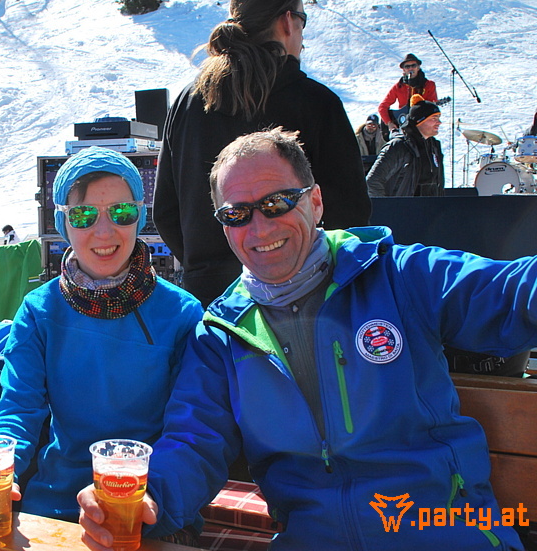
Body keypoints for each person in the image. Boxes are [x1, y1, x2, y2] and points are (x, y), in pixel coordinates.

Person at [77, 127, 534, 551]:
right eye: (237, 213)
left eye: (277, 203)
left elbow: (511, 294)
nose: (260, 227)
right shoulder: (221, 334)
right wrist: (150, 497)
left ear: (314, 202)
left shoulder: (396, 276)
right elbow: (194, 442)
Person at [0, 147, 202, 525]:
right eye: (84, 215)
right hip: (56, 504)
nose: (104, 231)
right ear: (62, 223)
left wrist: (153, 497)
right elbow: (18, 410)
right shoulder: (40, 310)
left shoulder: (180, 314)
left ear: (140, 215)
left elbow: (191, 429)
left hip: (143, 507)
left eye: (121, 212)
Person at [153, 0, 370, 308]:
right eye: (302, 21)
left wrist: (206, 263)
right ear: (287, 21)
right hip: (305, 301)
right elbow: (350, 215)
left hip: (212, 302)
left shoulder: (188, 101)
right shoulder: (316, 102)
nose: (302, 36)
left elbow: (166, 212)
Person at [366, 94, 444, 197]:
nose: (439, 122)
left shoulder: (434, 146)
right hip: (403, 211)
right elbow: (372, 182)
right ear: (419, 121)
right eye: (434, 118)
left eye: (438, 118)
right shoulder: (399, 146)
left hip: (431, 210)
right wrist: (389, 208)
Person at [377, 53, 439, 131]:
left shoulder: (429, 85)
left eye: (413, 65)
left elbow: (432, 107)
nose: (410, 69)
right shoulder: (398, 86)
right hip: (403, 125)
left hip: (422, 125)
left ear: (418, 67)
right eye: (407, 66)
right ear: (404, 69)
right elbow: (382, 107)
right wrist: (389, 123)